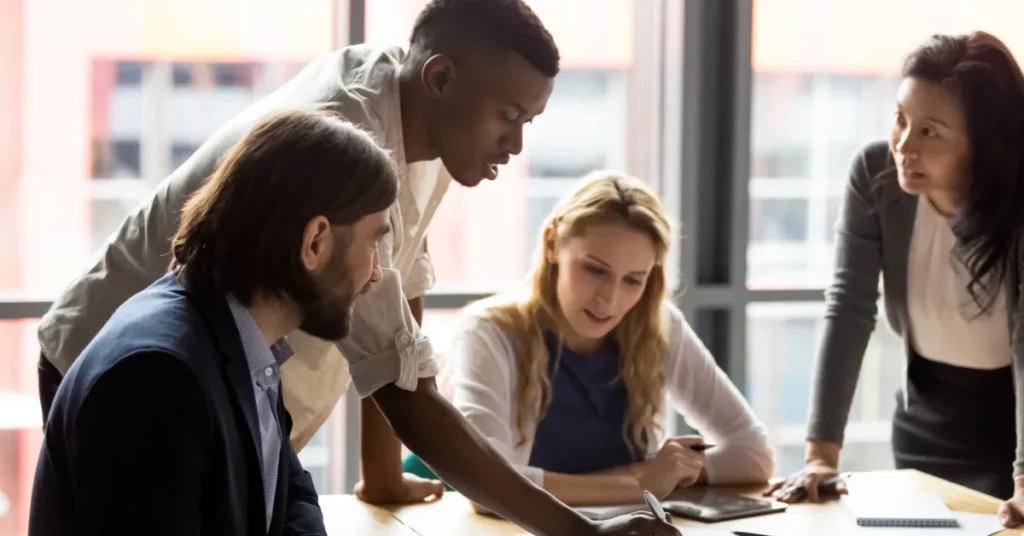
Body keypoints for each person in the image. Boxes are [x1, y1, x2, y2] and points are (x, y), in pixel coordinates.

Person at [35, 0, 558, 506]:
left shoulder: (429, 114)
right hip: (138, 378)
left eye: (529, 123)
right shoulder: (351, 140)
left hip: (235, 390)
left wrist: (383, 475)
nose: (514, 145)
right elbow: (407, 393)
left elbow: (401, 293)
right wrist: (580, 531)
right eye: (508, 116)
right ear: (441, 78)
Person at [28, 109, 396, 535]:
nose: (375, 273)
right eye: (374, 241)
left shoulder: (244, 340)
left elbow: (293, 496)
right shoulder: (157, 379)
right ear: (314, 242)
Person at [763, 31, 1024, 529]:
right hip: (924, 417)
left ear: (983, 143)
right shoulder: (874, 174)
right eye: (900, 119)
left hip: (1015, 432)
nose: (904, 145)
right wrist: (821, 455)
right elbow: (849, 306)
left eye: (931, 132)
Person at [403, 172, 775, 505]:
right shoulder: (488, 334)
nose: (609, 300)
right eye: (595, 270)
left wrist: (673, 472)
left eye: (633, 280)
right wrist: (639, 483)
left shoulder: (657, 327)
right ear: (552, 244)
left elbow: (755, 454)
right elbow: (487, 487)